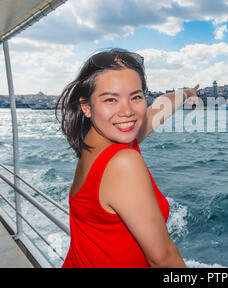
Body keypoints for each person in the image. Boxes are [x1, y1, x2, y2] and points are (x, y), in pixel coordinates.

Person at [55, 48, 199, 267]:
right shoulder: (122, 162)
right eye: (111, 99)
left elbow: (160, 107)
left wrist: (187, 92)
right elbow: (164, 259)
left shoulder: (97, 140)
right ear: (86, 106)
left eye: (136, 97)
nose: (127, 111)